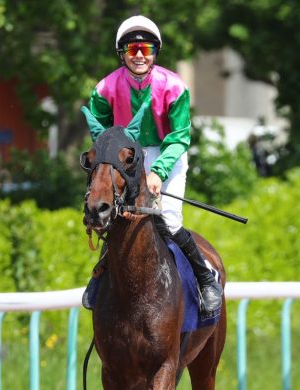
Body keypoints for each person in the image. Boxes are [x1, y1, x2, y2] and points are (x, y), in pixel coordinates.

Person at [82, 15, 222, 316]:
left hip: (166, 151)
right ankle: (100, 277)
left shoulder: (174, 86)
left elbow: (180, 137)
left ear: (155, 52)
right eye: (133, 50)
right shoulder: (104, 89)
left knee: (168, 220)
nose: (140, 56)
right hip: (124, 158)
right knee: (115, 218)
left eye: (146, 49)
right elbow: (102, 136)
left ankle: (205, 279)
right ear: (122, 54)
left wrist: (158, 171)